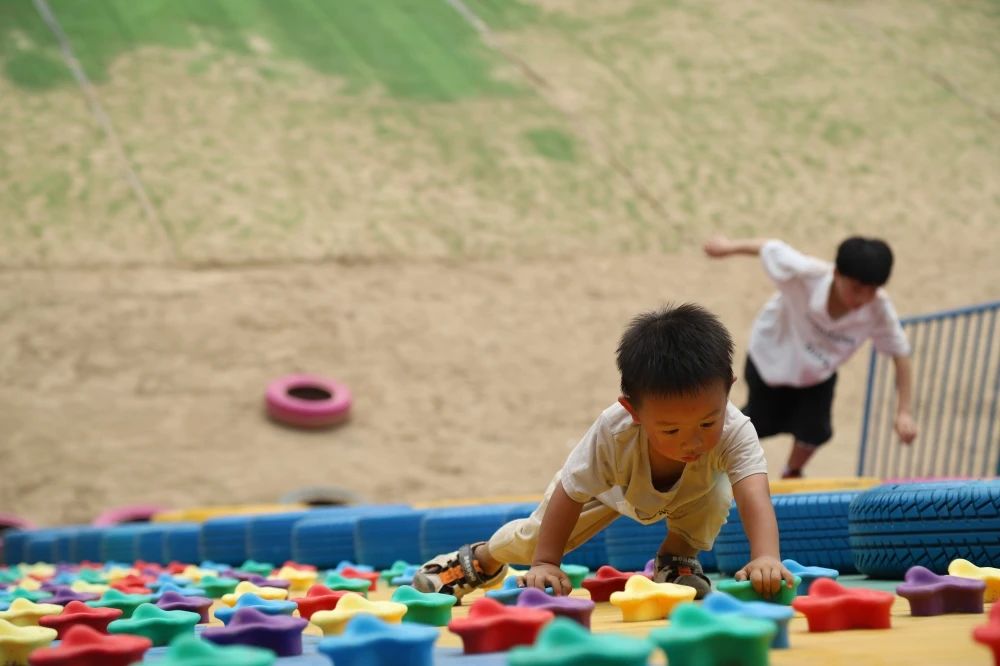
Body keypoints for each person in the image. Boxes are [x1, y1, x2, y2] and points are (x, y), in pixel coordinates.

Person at [413, 303, 795, 601]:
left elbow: (754, 495)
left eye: (707, 424)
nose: (691, 441)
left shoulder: (735, 430)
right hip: (609, 491)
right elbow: (570, 491)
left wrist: (766, 557)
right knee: (535, 538)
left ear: (728, 390)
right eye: (671, 430)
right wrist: (546, 562)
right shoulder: (614, 433)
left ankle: (676, 558)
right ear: (633, 411)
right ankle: (480, 560)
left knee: (718, 492)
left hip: (690, 493)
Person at [703, 234, 917, 479]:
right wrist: (728, 247)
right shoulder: (807, 273)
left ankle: (792, 472)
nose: (863, 299)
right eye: (856, 289)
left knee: (816, 430)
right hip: (771, 359)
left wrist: (904, 412)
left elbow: (901, 354)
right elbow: (769, 247)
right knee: (758, 423)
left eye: (872, 291)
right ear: (836, 273)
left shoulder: (879, 309)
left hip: (817, 373)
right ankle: (709, 465)